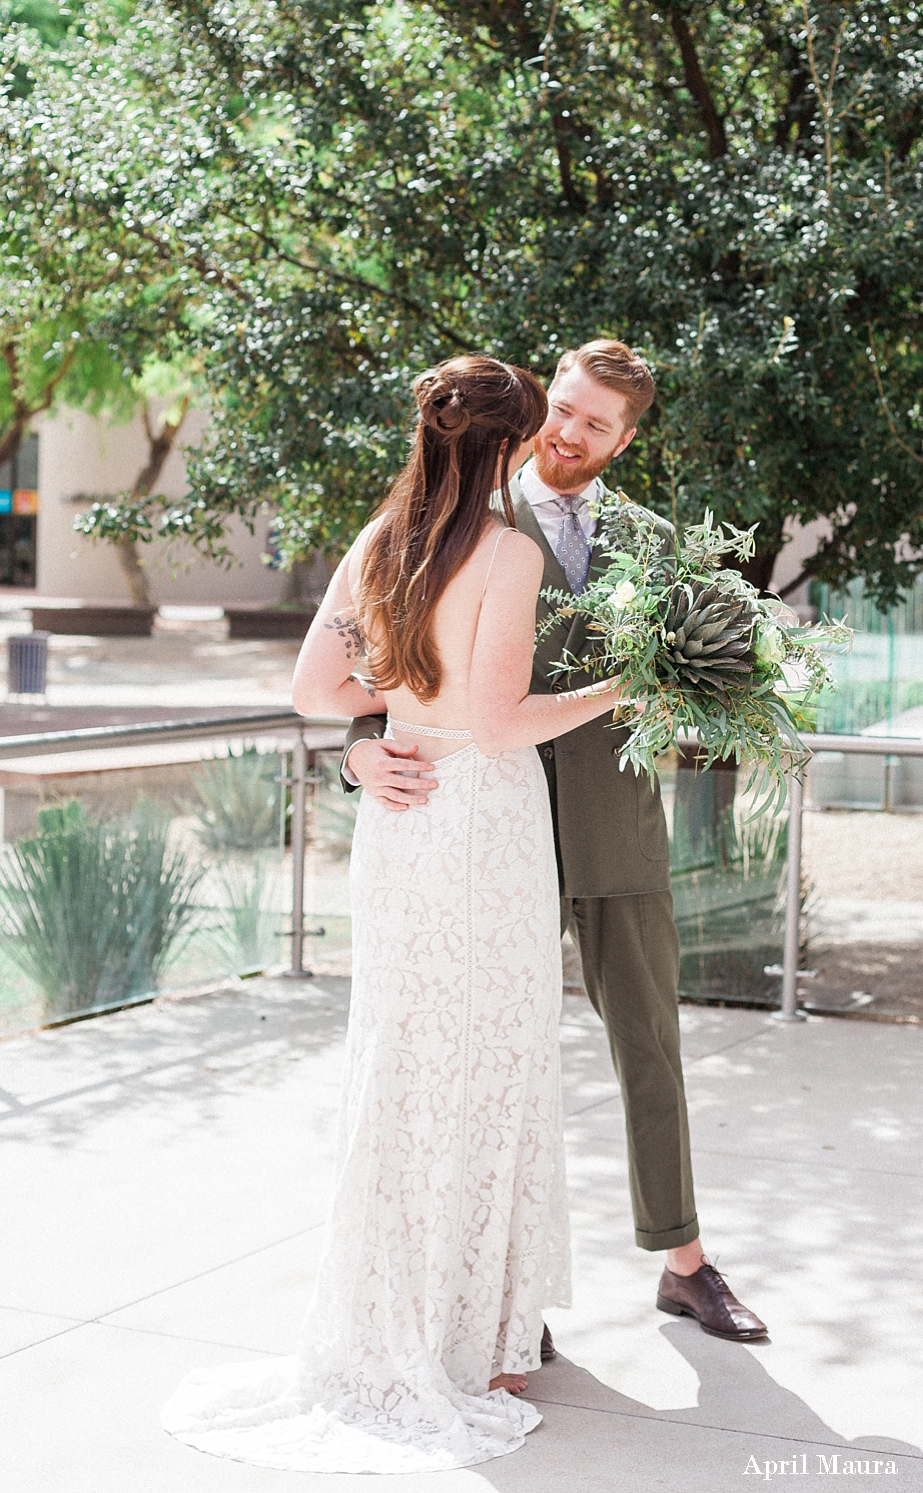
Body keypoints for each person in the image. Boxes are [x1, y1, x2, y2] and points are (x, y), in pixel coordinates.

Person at [161, 356, 628, 1475]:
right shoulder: (507, 552)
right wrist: (630, 684)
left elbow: (313, 692)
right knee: (490, 1063)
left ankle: (417, 1317)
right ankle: (475, 1341)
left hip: (403, 820)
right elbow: (503, 719)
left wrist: (378, 733)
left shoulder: (382, 542)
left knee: (406, 1062)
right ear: (510, 448)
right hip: (477, 820)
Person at [343, 339, 767, 1348]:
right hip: (489, 837)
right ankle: (502, 1296)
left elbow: (701, 685)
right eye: (561, 408)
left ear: (624, 440)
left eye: (591, 423)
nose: (564, 432)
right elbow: (381, 667)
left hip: (619, 834)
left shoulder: (661, 545)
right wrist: (358, 753)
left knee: (650, 1052)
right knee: (498, 1069)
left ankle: (684, 1264)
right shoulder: (462, 514)